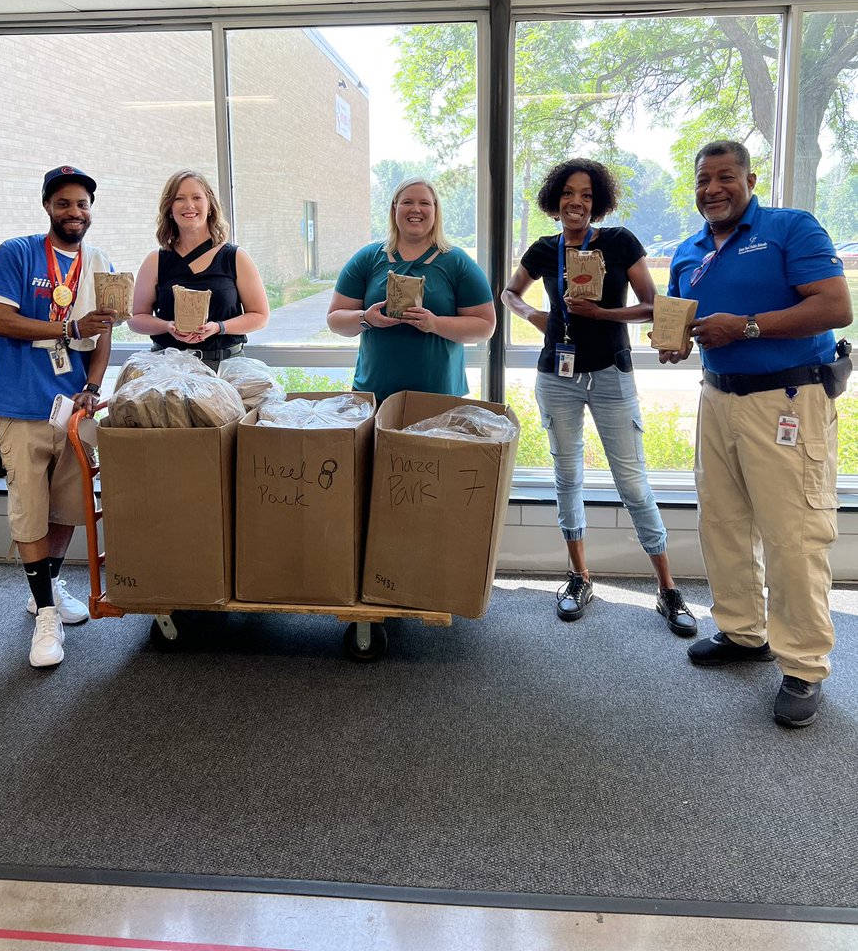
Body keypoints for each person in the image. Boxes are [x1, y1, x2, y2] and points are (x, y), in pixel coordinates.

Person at [664, 139, 852, 728]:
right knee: (722, 521)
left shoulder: (790, 228)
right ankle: (744, 633)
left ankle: (803, 664)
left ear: (750, 179)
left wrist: (745, 327)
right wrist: (673, 340)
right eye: (702, 180)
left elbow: (835, 306)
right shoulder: (688, 249)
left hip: (787, 400)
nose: (712, 189)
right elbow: (682, 317)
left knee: (792, 533)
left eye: (724, 177)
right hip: (717, 399)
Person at [502, 158, 697, 636]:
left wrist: (601, 313)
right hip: (557, 375)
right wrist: (534, 316)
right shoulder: (545, 249)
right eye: (569, 193)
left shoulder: (618, 242)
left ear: (598, 202)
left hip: (611, 374)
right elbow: (508, 293)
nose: (577, 202)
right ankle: (579, 577)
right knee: (567, 477)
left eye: (587, 195)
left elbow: (653, 304)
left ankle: (668, 589)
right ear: (555, 199)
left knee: (632, 483)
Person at [0, 166, 117, 668]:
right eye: (63, 203)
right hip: (21, 405)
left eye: (82, 204)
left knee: (65, 507)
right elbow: (1, 320)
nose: (74, 213)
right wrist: (68, 326)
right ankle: (44, 613)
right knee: (29, 508)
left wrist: (92, 387)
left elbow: (102, 334)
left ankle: (48, 587)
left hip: (71, 410)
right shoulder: (16, 253)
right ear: (47, 207)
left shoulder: (98, 263)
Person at [326, 177, 496, 401]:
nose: (416, 209)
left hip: (438, 396)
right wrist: (366, 318)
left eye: (425, 203)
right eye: (407, 202)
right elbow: (335, 320)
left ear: (435, 210)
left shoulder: (456, 262)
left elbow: (485, 326)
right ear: (394, 208)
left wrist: (434, 323)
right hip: (373, 394)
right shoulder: (368, 258)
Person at [128, 170, 269, 371]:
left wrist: (219, 327)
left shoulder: (235, 257)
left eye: (197, 198)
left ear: (210, 206)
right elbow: (136, 319)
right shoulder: (156, 261)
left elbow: (260, 315)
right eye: (179, 199)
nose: (189, 205)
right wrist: (167, 326)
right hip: (168, 370)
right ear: (169, 208)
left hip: (225, 368)